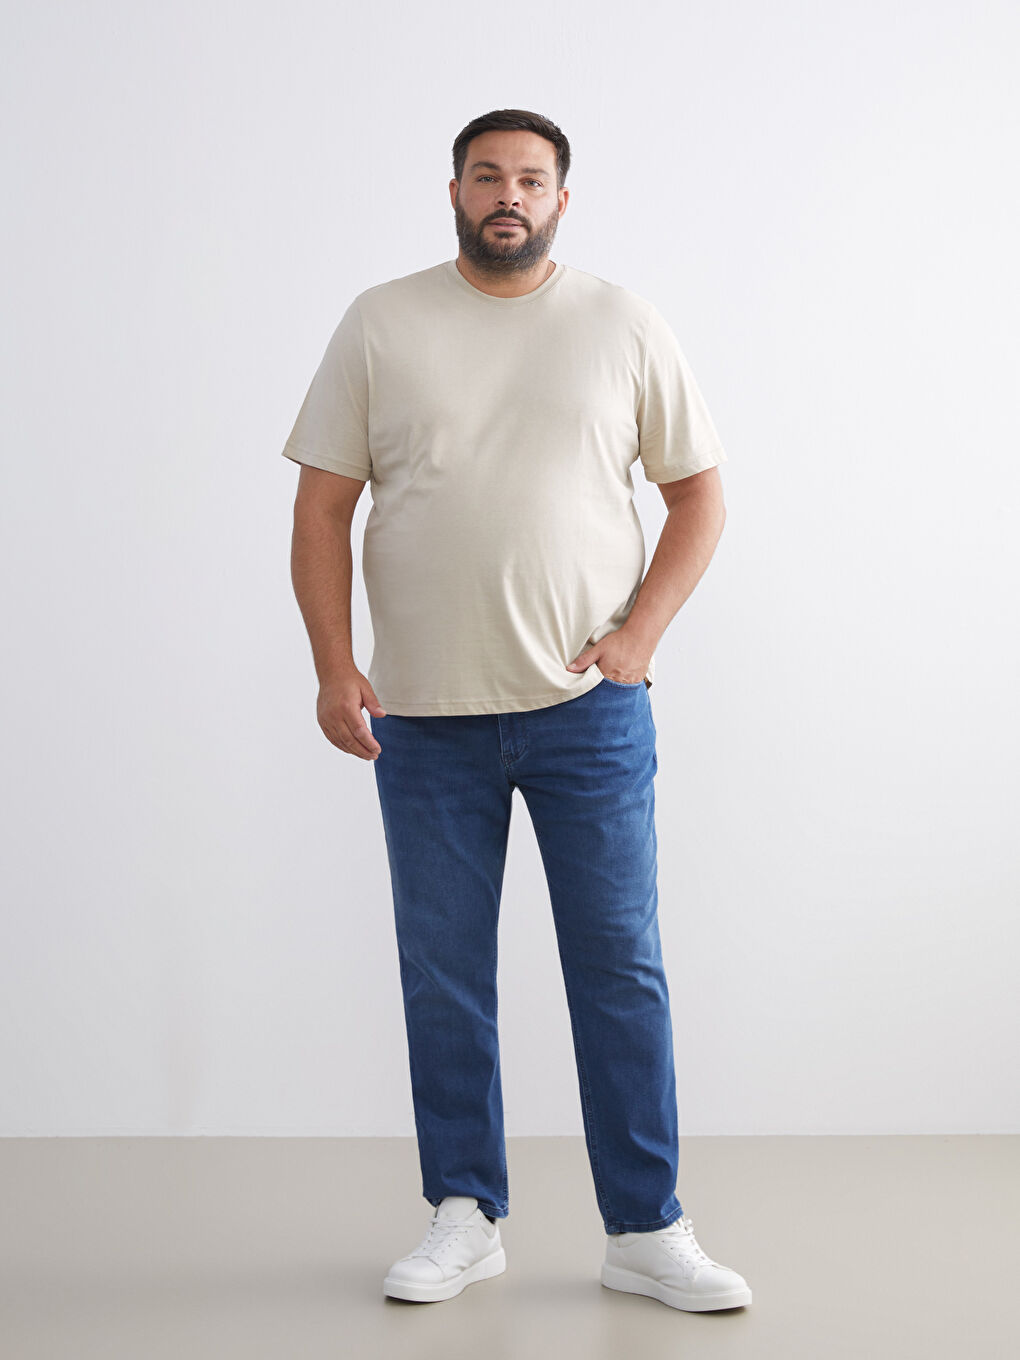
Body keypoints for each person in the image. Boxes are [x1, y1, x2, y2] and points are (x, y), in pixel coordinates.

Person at [281, 108, 751, 1313]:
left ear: (560, 200)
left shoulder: (620, 323)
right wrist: (334, 665)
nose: (508, 194)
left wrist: (639, 639)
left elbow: (699, 495)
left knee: (620, 966)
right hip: (423, 711)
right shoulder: (381, 322)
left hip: (588, 710)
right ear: (453, 191)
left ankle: (646, 1225)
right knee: (445, 973)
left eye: (531, 179)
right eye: (487, 175)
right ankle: (465, 1211)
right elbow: (322, 508)